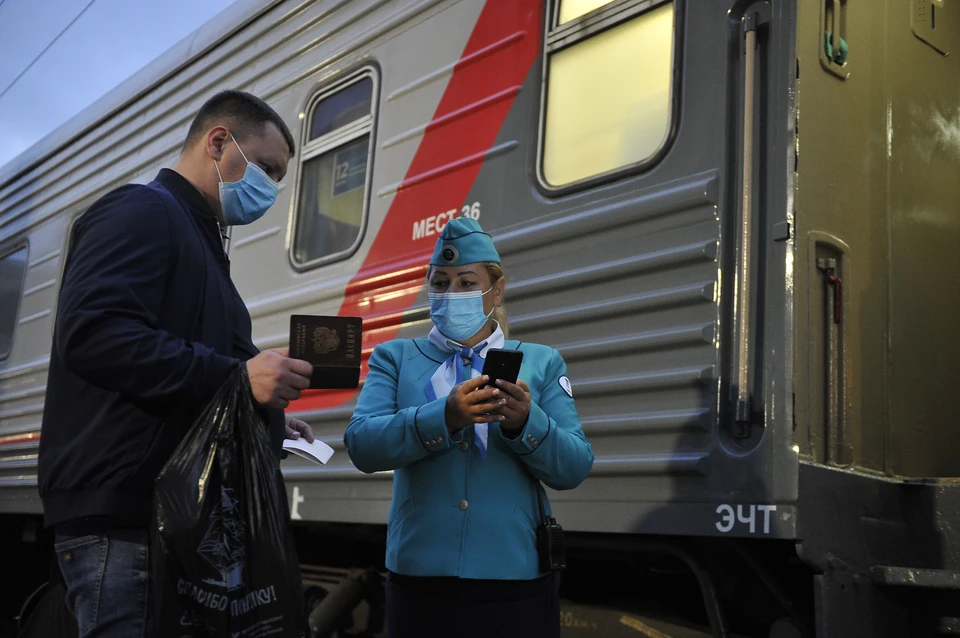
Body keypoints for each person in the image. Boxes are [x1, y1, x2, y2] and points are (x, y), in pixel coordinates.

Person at [37, 90, 315, 638]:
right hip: (127, 520)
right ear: (218, 142)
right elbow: (94, 335)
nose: (271, 190)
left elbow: (199, 378)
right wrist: (237, 378)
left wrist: (267, 422)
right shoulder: (141, 211)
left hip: (163, 518)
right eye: (266, 169)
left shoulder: (202, 244)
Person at [344, 217, 594, 638]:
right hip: (422, 572)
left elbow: (574, 466)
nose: (450, 294)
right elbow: (362, 445)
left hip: (514, 574)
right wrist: (445, 417)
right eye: (439, 283)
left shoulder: (541, 361)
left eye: (465, 282)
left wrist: (525, 424)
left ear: (496, 291)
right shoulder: (395, 357)